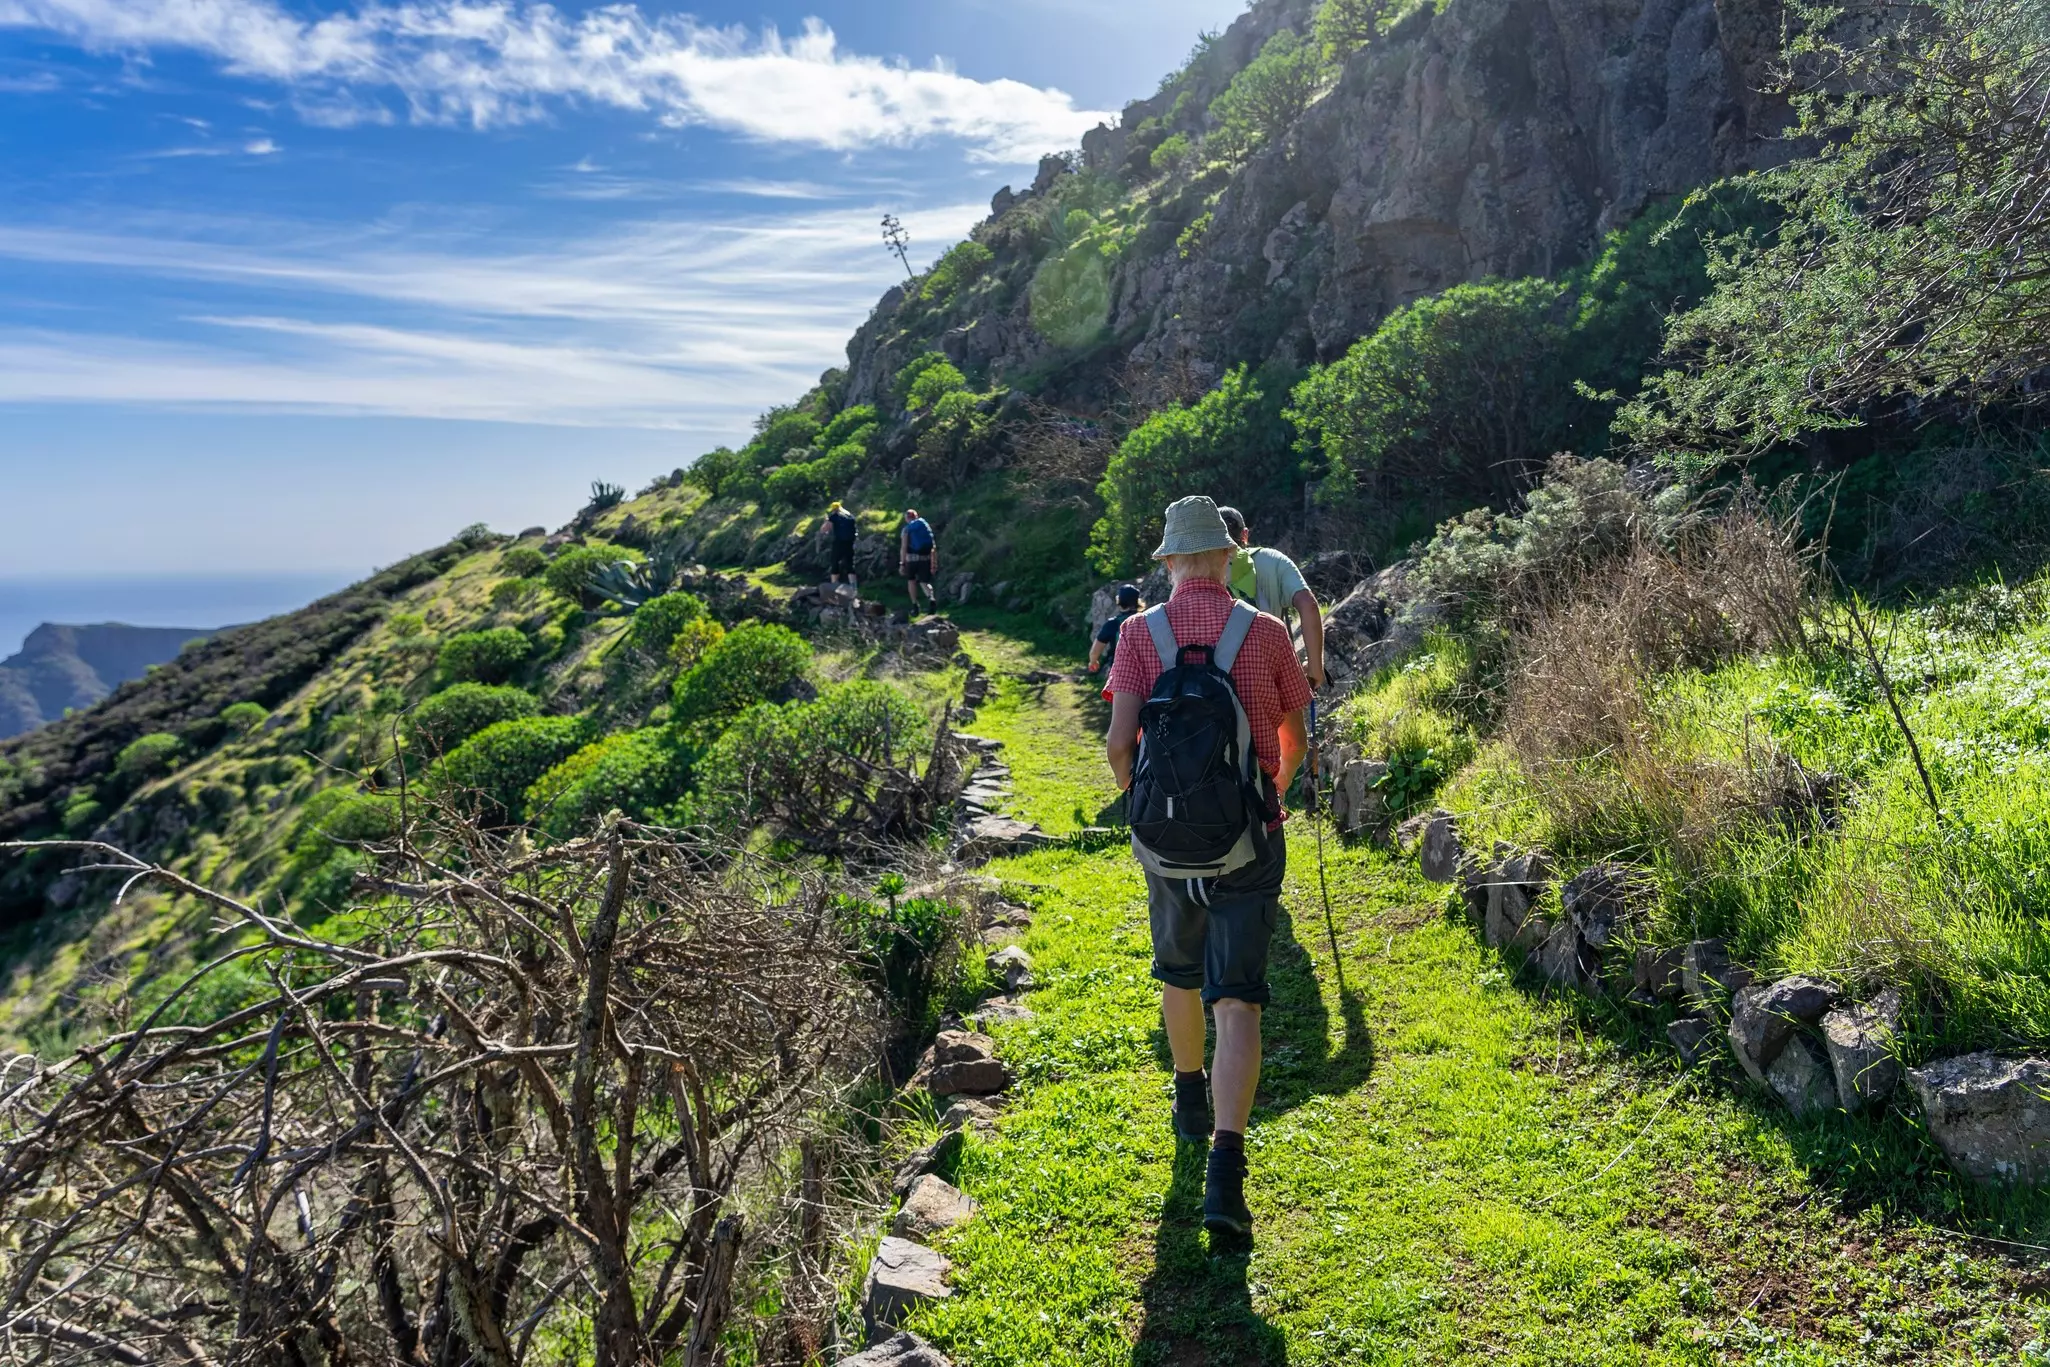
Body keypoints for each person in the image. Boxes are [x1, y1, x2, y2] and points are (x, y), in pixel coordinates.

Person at [1105, 496, 1311, 1240]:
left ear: (1167, 563)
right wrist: (1270, 797)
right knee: (1240, 1001)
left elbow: (1118, 745)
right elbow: (1294, 739)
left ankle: (1187, 1095)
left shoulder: (1137, 632)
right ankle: (1227, 1171)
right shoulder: (1262, 631)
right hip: (1249, 842)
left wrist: (1152, 815)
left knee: (1179, 973)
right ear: (1228, 557)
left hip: (1167, 848)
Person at [1216, 506, 1327, 689]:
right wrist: (1315, 668)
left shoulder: (1205, 572)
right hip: (1273, 678)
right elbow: (1308, 605)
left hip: (1227, 685)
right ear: (1245, 535)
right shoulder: (1273, 559)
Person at [1087, 583, 1142, 675]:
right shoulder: (1147, 619)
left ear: (1118, 601)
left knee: (1110, 690)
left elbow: (1095, 650)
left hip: (1121, 671)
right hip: (1146, 670)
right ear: (1138, 601)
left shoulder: (1112, 624)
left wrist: (1093, 662)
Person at [899, 509, 939, 611]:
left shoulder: (907, 529)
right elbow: (933, 547)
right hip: (925, 558)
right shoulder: (925, 527)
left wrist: (902, 564)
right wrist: (934, 563)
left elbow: (904, 547)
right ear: (916, 517)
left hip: (911, 560)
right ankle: (931, 599)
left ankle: (915, 605)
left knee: (911, 581)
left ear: (907, 518)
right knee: (924, 582)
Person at [823, 500, 860, 590]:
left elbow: (824, 529)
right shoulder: (850, 516)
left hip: (839, 542)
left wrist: (826, 521)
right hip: (850, 543)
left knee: (835, 562)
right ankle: (853, 586)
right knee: (849, 563)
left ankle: (834, 585)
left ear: (833, 509)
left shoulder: (834, 516)